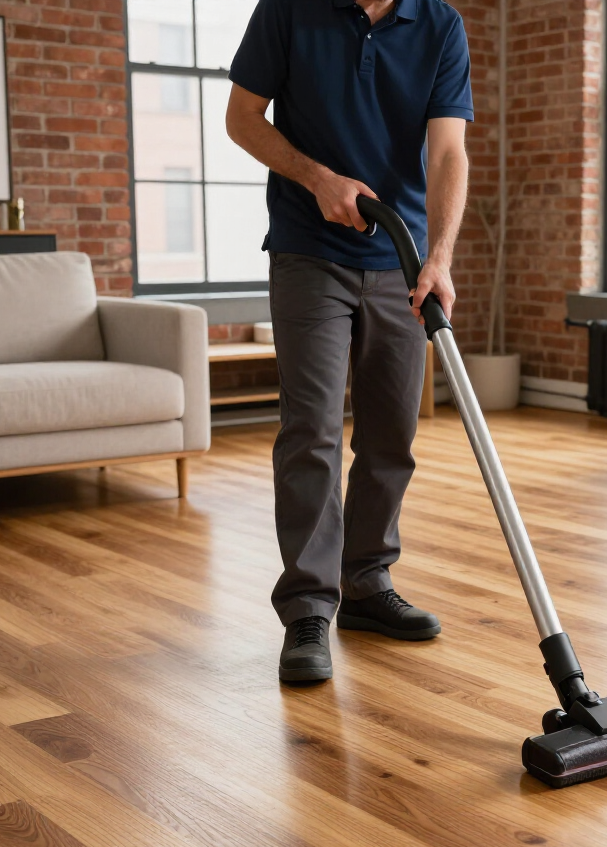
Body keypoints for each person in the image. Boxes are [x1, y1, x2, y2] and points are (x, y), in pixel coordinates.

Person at [226, 0, 472, 684]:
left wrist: (440, 257)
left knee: (393, 433)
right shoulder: (287, 10)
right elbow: (241, 118)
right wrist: (316, 177)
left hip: (401, 259)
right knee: (311, 432)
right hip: (310, 253)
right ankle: (308, 607)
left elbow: (448, 150)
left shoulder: (440, 25)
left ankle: (365, 584)